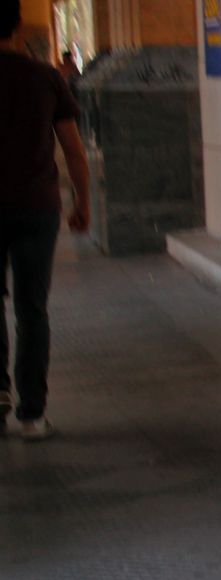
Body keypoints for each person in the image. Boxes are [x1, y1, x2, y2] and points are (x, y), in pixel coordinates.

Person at [0, 0, 90, 441]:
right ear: (17, 26)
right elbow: (73, 148)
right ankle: (32, 414)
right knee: (31, 309)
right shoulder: (45, 78)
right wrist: (83, 201)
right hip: (37, 206)